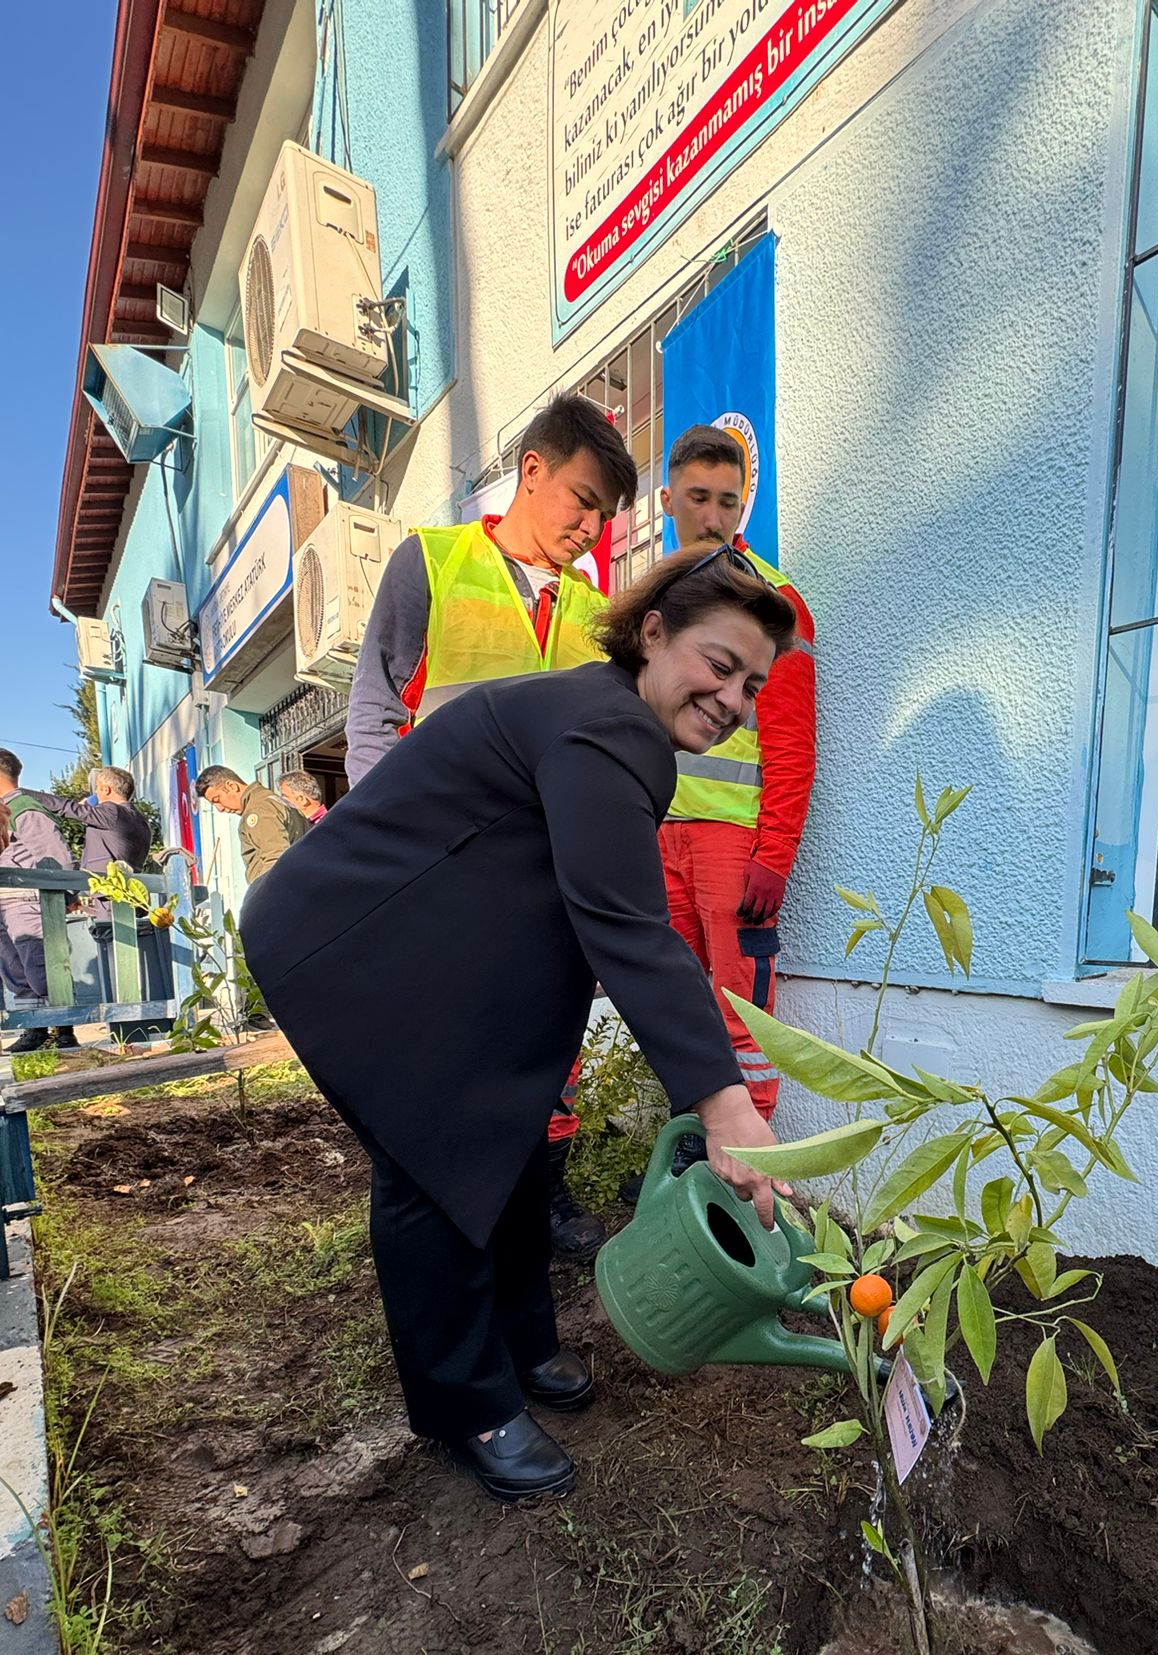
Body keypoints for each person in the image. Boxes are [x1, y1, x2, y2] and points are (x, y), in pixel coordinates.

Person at [242, 545, 795, 1505]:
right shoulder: (605, 728)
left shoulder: (613, 723)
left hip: (430, 952)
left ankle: (522, 1346)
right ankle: (468, 1404)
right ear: (654, 634)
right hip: (351, 948)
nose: (735, 699)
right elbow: (625, 924)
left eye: (752, 684)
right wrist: (724, 1103)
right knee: (432, 1160)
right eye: (720, 664)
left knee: (509, 1141)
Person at [344, 390, 640, 1261]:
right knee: (451, 1050)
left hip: (547, 872)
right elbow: (374, 713)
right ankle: (448, 1208)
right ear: (533, 472)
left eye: (606, 515)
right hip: (445, 862)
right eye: (582, 500)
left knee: (545, 1046)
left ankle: (539, 1204)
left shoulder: (598, 616)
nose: (591, 526)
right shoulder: (429, 565)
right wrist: (391, 848)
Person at [658, 426, 817, 1122]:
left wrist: (773, 858)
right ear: (668, 500)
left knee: (741, 1019)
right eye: (699, 498)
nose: (714, 517)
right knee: (678, 1013)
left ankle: (747, 1186)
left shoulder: (773, 606)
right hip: (660, 839)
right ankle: (690, 1169)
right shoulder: (654, 604)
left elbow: (789, 744)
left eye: (729, 500)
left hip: (733, 844)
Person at [24, 766, 164, 1044]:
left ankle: (127, 1028)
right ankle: (136, 1025)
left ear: (106, 789)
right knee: (131, 963)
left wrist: (19, 794)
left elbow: (68, 809)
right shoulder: (138, 819)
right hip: (129, 898)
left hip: (112, 901)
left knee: (116, 964)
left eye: (97, 789)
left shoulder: (112, 813)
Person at [0, 748, 81, 1055]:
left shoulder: (23, 809)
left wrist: (66, 895)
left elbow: (55, 856)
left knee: (43, 966)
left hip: (29, 900)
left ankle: (63, 1029)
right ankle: (35, 1029)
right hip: (5, 902)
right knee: (14, 969)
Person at [195, 765, 308, 885]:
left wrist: (263, 898)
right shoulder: (276, 801)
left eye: (217, 800)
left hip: (279, 892)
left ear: (231, 786)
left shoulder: (258, 810)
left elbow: (275, 860)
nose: (220, 809)